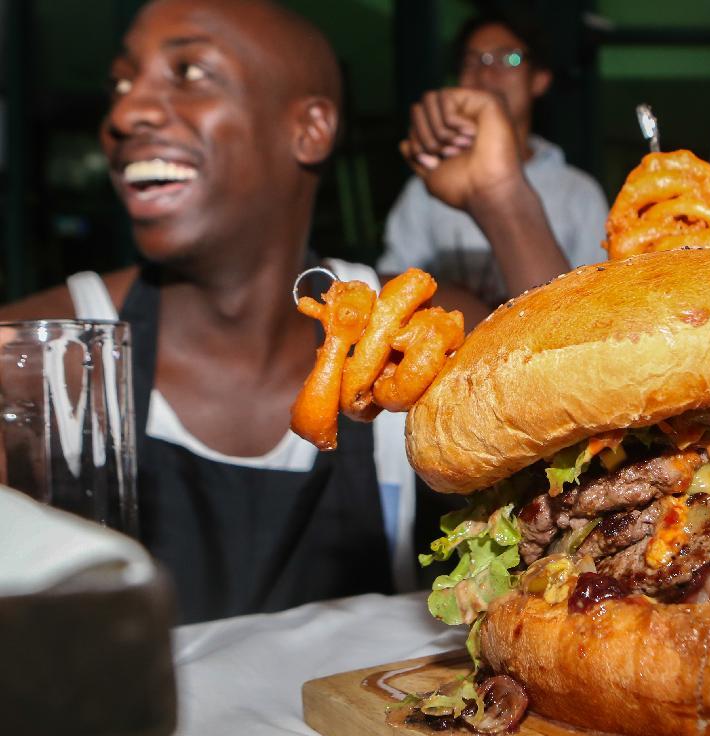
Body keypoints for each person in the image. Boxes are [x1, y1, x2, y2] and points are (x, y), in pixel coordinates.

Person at [0, 0, 568, 624]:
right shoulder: (40, 353)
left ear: (310, 129)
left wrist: (503, 200)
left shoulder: (402, 335)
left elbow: (582, 415)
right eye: (121, 83)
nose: (125, 112)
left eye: (189, 72)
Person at [377, 9, 609, 309]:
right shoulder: (427, 187)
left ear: (539, 79)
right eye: (473, 61)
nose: (485, 74)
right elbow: (394, 293)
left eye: (508, 58)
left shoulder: (579, 192)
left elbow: (595, 310)